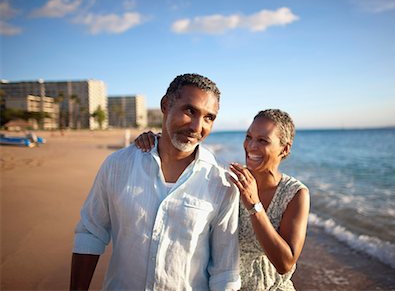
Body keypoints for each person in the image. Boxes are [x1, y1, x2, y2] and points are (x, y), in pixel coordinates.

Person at [71, 74, 241, 291]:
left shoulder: (222, 183)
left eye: (209, 117)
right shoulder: (118, 165)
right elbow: (90, 233)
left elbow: (225, 271)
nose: (198, 126)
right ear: (166, 105)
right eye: (190, 111)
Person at [135, 108, 310, 290]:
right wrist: (158, 141)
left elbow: (285, 263)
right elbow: (188, 158)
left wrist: (254, 205)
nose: (251, 146)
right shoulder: (229, 179)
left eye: (262, 141)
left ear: (285, 149)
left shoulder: (295, 194)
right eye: (248, 137)